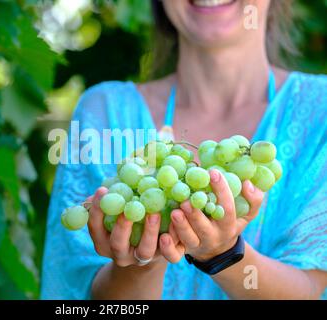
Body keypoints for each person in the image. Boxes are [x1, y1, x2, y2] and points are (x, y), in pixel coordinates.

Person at [41, 0, 327, 299]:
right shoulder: (103, 113)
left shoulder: (321, 112)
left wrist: (224, 255)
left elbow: (309, 292)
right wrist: (141, 264)